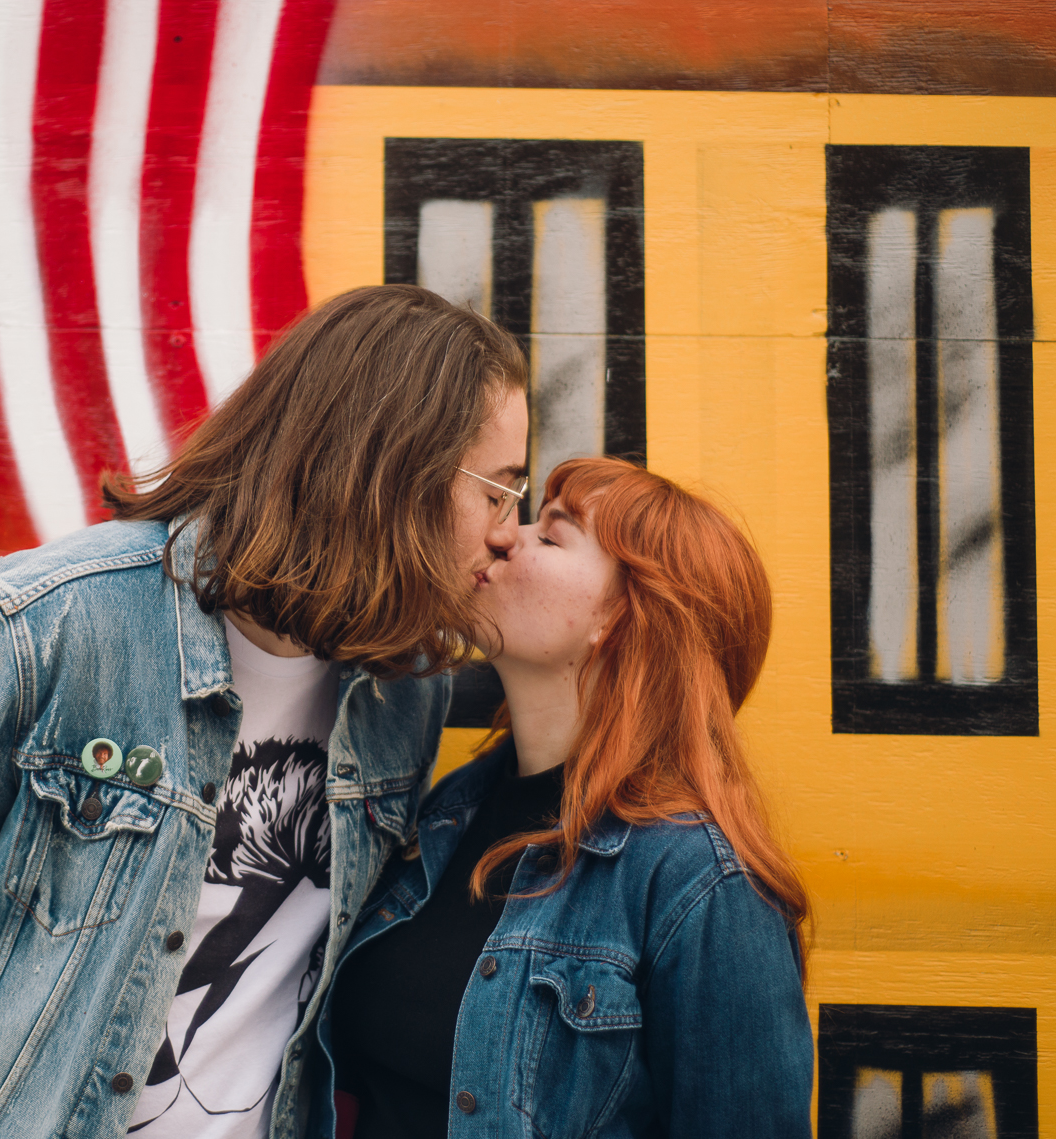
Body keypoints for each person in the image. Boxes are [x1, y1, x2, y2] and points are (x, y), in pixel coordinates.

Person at [0, 285, 530, 1139]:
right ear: (392, 469)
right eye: (498, 490)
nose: (511, 532)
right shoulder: (43, 625)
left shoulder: (402, 692)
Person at [315, 457, 813, 1139]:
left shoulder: (701, 882)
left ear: (620, 618)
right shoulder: (447, 813)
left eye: (551, 536)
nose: (503, 537)